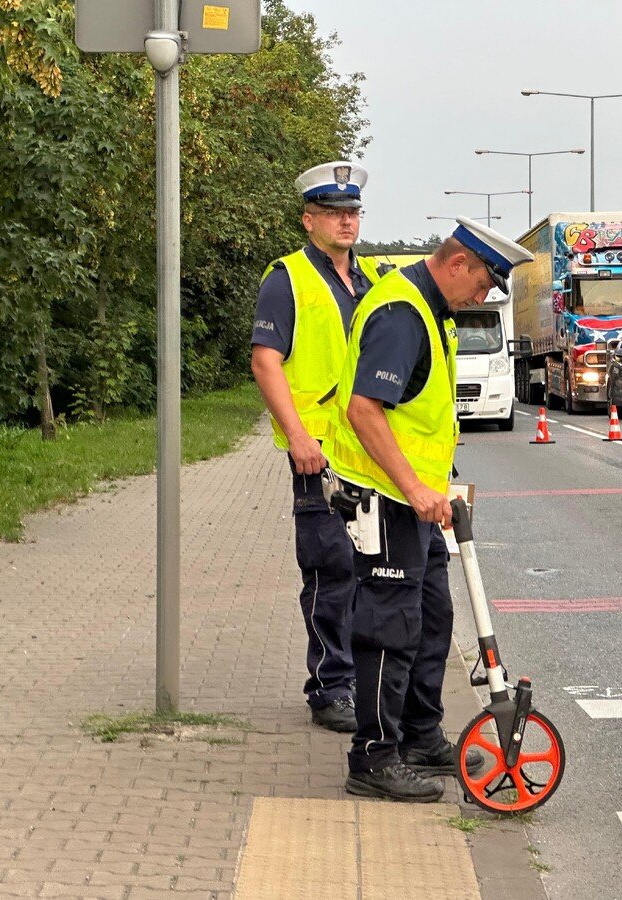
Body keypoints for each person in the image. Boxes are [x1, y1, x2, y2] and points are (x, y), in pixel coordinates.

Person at [324, 217, 534, 802]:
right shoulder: (402, 314)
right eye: (487, 281)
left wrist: (438, 485)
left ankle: (419, 734)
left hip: (416, 506)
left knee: (433, 618)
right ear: (459, 262)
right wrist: (415, 487)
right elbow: (365, 409)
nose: (486, 297)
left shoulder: (429, 310)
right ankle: (373, 757)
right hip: (388, 501)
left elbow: (420, 415)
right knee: (389, 629)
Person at [250, 161, 370, 732]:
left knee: (374, 571)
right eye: (333, 213)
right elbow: (265, 361)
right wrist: (297, 435)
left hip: (368, 452)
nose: (346, 221)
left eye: (352, 212)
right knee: (331, 569)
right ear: (309, 219)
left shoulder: (369, 281)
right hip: (318, 452)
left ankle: (365, 683)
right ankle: (330, 688)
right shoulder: (287, 278)